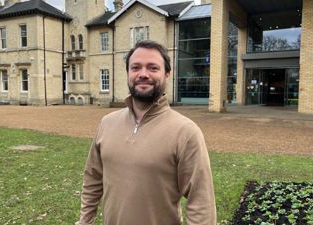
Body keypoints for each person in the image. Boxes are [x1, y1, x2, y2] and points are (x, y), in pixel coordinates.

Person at [76, 40, 216, 225]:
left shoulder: (186, 132)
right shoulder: (107, 123)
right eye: (136, 67)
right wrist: (85, 221)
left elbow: (201, 201)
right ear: (128, 73)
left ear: (167, 74)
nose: (143, 74)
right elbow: (93, 177)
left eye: (153, 68)